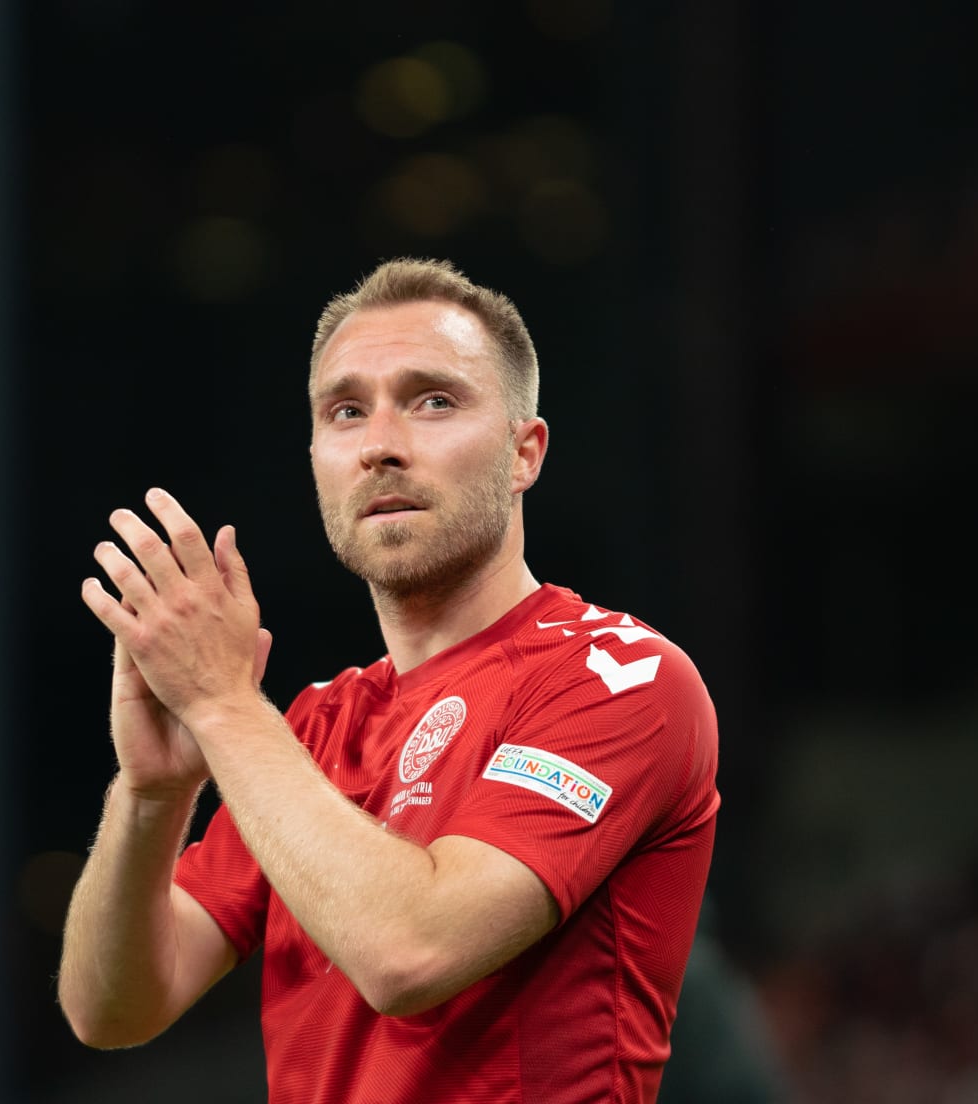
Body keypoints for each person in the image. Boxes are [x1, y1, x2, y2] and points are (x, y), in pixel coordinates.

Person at [58, 258, 720, 1104]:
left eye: (433, 400)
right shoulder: (313, 729)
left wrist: (224, 707)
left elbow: (411, 953)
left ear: (525, 453)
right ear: (314, 458)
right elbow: (110, 1009)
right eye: (345, 411)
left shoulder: (620, 678)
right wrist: (150, 798)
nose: (380, 445)